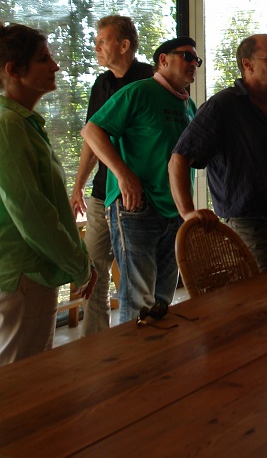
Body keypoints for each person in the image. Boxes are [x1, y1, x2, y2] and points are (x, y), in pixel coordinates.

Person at [0, 22, 94, 369]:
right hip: (18, 273)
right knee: (18, 391)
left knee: (31, 383)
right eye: (43, 59)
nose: (55, 66)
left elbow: (45, 206)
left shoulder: (22, 125)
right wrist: (79, 264)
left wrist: (77, 259)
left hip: (30, 270)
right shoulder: (5, 128)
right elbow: (33, 214)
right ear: (13, 71)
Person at [168, 34, 267, 272]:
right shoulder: (223, 106)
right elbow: (178, 159)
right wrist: (188, 213)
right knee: (260, 305)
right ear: (247, 64)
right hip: (250, 230)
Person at [81, 36, 199, 324]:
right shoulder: (139, 91)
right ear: (163, 60)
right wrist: (123, 174)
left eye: (196, 60)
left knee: (162, 302)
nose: (193, 64)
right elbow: (92, 130)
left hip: (174, 210)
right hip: (137, 208)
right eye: (186, 56)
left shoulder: (188, 106)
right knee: (138, 303)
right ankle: (135, 368)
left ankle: (160, 365)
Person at [69, 14, 153, 335]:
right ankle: (94, 341)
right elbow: (92, 139)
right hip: (101, 192)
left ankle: (139, 338)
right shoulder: (101, 84)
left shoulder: (149, 80)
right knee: (93, 270)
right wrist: (78, 186)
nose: (96, 47)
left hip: (136, 194)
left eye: (102, 41)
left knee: (136, 272)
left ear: (124, 45)